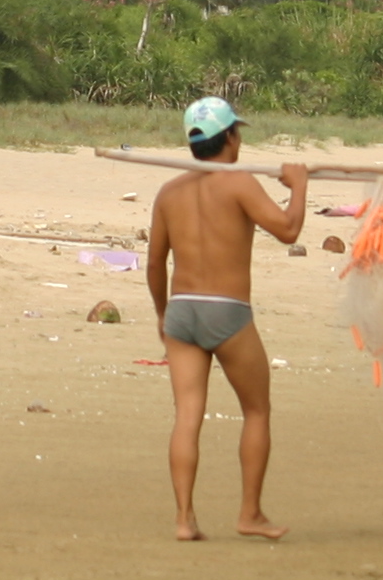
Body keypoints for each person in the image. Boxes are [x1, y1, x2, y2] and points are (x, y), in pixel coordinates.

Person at [146, 96, 308, 542]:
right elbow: (289, 230)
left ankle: (184, 519)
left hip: (182, 310)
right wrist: (298, 185)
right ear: (230, 138)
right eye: (239, 132)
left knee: (187, 416)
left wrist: (163, 314)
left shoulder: (170, 192)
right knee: (256, 410)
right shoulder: (240, 183)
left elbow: (156, 263)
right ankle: (249, 514)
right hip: (227, 310)